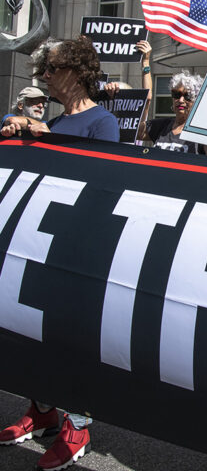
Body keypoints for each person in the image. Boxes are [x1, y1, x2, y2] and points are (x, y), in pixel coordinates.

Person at [0, 35, 118, 469]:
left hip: (77, 246)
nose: (44, 77)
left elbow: (103, 181)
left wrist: (50, 139)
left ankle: (77, 426)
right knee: (33, 330)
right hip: (38, 243)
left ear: (74, 71)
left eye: (51, 69)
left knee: (72, 336)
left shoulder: (101, 123)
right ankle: (42, 410)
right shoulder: (54, 121)